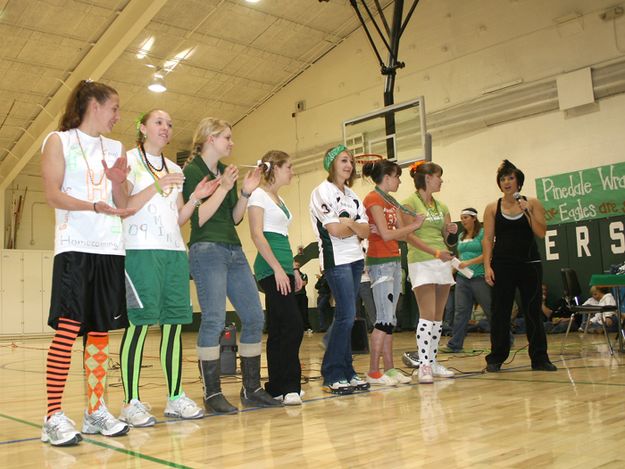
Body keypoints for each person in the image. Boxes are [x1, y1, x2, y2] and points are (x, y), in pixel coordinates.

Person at [40, 80, 135, 446]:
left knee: (99, 333)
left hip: (110, 247)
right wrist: (92, 206)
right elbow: (52, 195)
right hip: (75, 246)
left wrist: (117, 183)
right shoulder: (58, 141)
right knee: (67, 331)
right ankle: (52, 415)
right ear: (93, 105)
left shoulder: (115, 147)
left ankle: (95, 411)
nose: (118, 116)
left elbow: (122, 200)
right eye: (114, 108)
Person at [118, 110, 219, 427]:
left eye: (170, 123)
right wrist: (158, 185)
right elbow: (126, 206)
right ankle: (130, 402)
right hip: (140, 252)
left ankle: (175, 397)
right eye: (159, 122)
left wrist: (197, 199)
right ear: (143, 128)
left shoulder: (176, 168)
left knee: (174, 325)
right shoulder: (128, 160)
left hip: (175, 251)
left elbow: (178, 218)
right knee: (139, 325)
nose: (166, 127)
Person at [182, 118, 281, 413]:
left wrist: (245, 193)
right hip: (206, 249)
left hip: (234, 249)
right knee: (212, 320)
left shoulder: (227, 172)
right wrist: (224, 188)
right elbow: (199, 218)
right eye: (227, 137)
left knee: (253, 317)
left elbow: (236, 218)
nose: (232, 142)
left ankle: (251, 389)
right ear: (210, 138)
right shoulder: (192, 171)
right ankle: (212, 393)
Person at [483, 160, 557, 372]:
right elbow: (487, 239)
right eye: (503, 179)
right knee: (500, 313)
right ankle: (496, 358)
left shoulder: (532, 203)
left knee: (533, 311)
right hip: (502, 265)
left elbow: (541, 232)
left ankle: (540, 358)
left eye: (510, 178)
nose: (506, 182)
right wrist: (488, 266)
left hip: (529, 264)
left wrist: (528, 212)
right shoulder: (491, 208)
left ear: (518, 182)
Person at [309, 144, 370, 394]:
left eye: (351, 161)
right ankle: (332, 373)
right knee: (345, 316)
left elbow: (366, 231)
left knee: (348, 316)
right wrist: (353, 227)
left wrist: (351, 225)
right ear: (331, 164)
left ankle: (347, 371)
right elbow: (334, 231)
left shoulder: (353, 196)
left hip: (356, 259)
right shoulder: (321, 192)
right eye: (344, 160)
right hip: (336, 259)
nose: (349, 165)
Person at [248, 150, 304, 406]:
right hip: (270, 269)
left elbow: (281, 237)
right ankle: (288, 385)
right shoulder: (258, 195)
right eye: (288, 167)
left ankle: (277, 386)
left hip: (283, 267)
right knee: (291, 325)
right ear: (276, 168)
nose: (292, 171)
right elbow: (258, 235)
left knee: (282, 328)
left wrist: (292, 269)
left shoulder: (278, 198)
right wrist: (278, 269)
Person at [361, 159, 424, 386]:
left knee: (391, 319)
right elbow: (388, 235)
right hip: (381, 262)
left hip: (395, 260)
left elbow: (398, 233)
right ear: (387, 177)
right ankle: (373, 371)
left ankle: (389, 368)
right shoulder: (372, 199)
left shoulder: (391, 200)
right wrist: (412, 226)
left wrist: (404, 229)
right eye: (396, 176)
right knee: (383, 319)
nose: (399, 181)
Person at [402, 161, 458, 384]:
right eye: (438, 176)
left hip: (442, 260)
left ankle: (433, 362)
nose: (441, 180)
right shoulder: (408, 203)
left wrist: (451, 232)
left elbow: (447, 239)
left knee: (437, 316)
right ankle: (423, 364)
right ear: (427, 178)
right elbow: (409, 236)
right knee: (426, 313)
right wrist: (435, 252)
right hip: (422, 260)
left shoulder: (442, 206)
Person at [442, 208, 493, 353]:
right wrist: (452, 271)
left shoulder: (483, 233)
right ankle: (455, 344)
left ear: (474, 218)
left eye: (465, 217)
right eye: (462, 218)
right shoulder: (461, 235)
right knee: (461, 311)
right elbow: (460, 256)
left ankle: (506, 338)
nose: (463, 220)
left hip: (479, 277)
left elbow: (487, 254)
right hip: (463, 279)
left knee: (490, 310)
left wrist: (469, 263)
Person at [293, 260, 312, 333]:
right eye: (295, 266)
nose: (297, 267)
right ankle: (296, 328)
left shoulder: (303, 275)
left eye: (298, 266)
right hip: (294, 296)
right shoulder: (291, 275)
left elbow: (303, 283)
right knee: (295, 312)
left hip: (302, 295)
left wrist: (297, 283)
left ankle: (307, 327)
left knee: (304, 311)